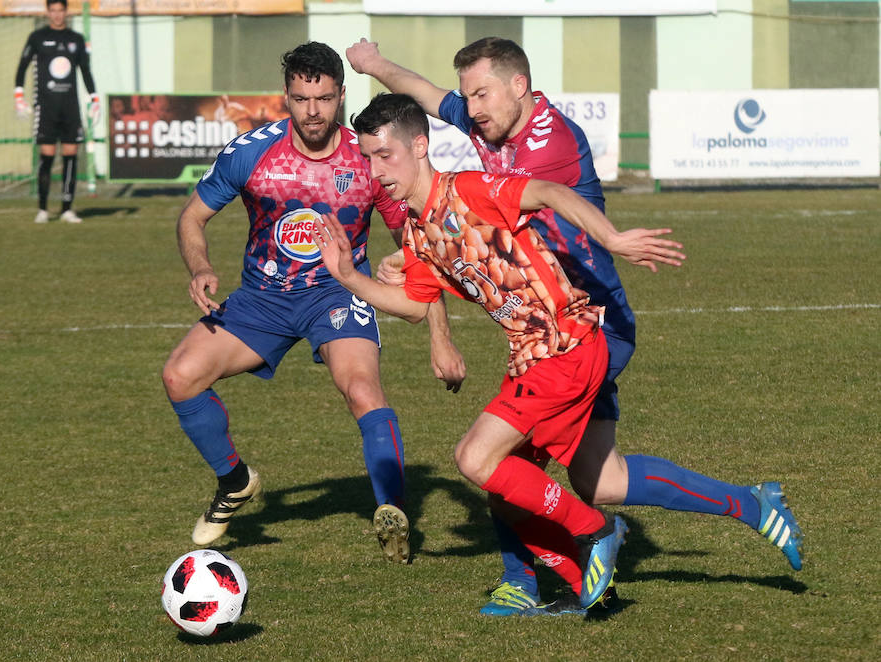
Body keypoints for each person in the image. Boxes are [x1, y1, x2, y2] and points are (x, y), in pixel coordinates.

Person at [346, 37, 804, 614]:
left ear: (520, 86)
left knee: (501, 466)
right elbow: (428, 97)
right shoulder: (490, 122)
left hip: (589, 323)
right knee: (600, 478)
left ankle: (547, 570)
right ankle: (749, 507)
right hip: (551, 326)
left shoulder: (550, 142)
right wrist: (375, 66)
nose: (472, 108)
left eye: (481, 94)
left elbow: (532, 202)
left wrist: (606, 238)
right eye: (469, 96)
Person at [314, 93, 691, 613]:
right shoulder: (417, 229)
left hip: (566, 343)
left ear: (419, 146)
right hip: (531, 357)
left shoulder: (470, 189)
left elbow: (553, 192)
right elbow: (413, 305)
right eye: (369, 158)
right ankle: (588, 588)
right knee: (504, 487)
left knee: (473, 457)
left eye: (386, 155)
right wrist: (348, 277)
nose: (376, 171)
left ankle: (596, 529)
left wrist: (614, 238)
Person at [161, 42, 415, 562]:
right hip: (263, 297)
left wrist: (405, 261)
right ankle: (234, 482)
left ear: (342, 95)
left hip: (337, 292)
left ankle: (394, 513)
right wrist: (202, 267)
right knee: (179, 377)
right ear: (287, 97)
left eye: (323, 98)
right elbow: (192, 218)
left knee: (363, 389)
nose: (313, 111)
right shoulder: (251, 151)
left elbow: (410, 232)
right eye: (301, 99)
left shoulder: (367, 156)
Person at [14, 0, 99, 225]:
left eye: (61, 10)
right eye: (53, 10)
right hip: (47, 107)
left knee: (70, 155)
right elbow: (22, 67)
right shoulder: (37, 38)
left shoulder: (76, 39)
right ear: (48, 12)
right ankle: (42, 208)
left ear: (65, 12)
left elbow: (85, 70)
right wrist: (18, 96)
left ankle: (67, 209)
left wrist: (94, 98)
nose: (57, 15)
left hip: (70, 108)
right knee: (47, 156)